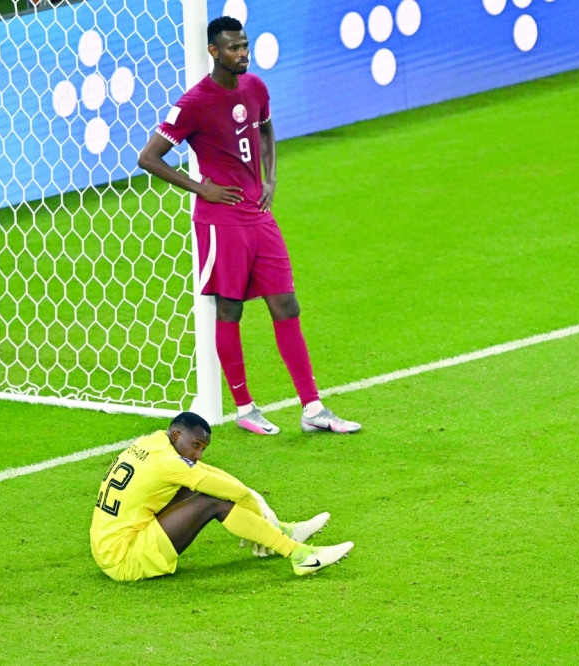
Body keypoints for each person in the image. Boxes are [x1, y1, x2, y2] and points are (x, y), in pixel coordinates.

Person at [138, 16, 359, 435]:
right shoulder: (194, 102)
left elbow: (266, 129)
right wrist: (201, 190)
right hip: (221, 221)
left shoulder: (256, 87)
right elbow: (149, 157)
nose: (243, 53)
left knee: (286, 305)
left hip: (258, 216)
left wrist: (270, 178)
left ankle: (313, 408)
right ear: (214, 52)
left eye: (245, 46)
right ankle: (245, 407)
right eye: (234, 48)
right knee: (231, 308)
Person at [90, 411, 354, 581]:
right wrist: (258, 506)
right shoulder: (170, 463)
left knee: (197, 488)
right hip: (125, 559)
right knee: (212, 500)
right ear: (176, 435)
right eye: (196, 446)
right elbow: (233, 493)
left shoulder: (151, 443)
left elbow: (205, 471)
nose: (198, 454)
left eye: (202, 448)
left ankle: (282, 532)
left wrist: (261, 514)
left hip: (108, 547)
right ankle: (300, 556)